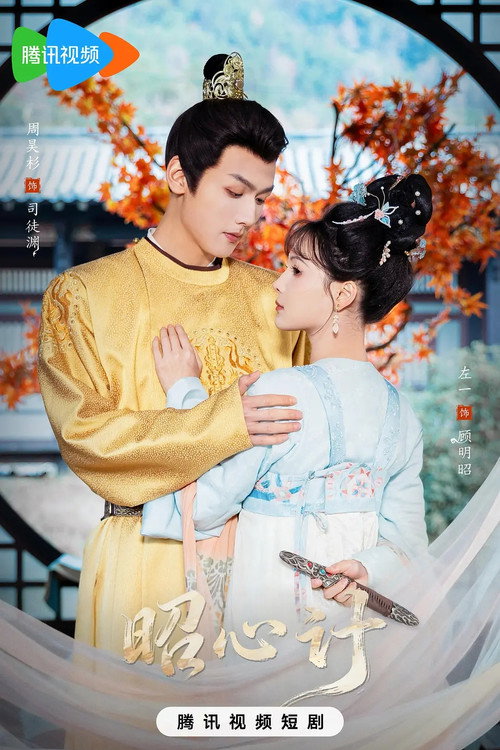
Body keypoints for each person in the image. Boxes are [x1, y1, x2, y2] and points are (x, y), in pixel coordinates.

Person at [37, 52, 308, 657]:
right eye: (234, 191)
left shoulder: (276, 298)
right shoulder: (84, 295)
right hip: (143, 561)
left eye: (261, 198)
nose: (249, 216)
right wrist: (225, 420)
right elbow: (89, 440)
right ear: (179, 176)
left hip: (263, 566)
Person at [142, 172, 432, 629]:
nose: (277, 283)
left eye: (296, 270)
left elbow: (206, 506)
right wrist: (366, 568)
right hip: (355, 623)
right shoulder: (402, 414)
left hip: (270, 618)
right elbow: (409, 546)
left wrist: (185, 391)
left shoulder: (280, 393)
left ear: (342, 294)